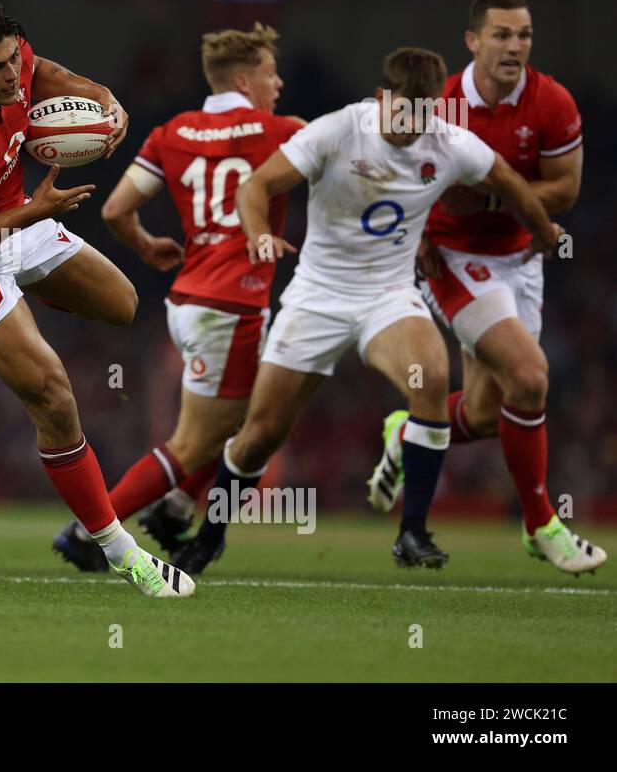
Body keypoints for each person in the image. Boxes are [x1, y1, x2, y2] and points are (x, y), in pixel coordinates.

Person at [174, 46, 560, 575]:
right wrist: (260, 233)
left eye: (423, 115)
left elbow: (512, 185)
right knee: (260, 434)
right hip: (317, 296)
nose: (410, 127)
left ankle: (413, 533)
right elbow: (257, 184)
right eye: (403, 112)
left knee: (431, 377)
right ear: (381, 98)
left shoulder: (448, 144)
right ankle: (209, 536)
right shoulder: (338, 130)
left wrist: (543, 234)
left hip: (388, 297)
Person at [0, 0, 192, 597]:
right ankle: (120, 550)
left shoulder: (13, 59)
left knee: (123, 304)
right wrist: (33, 210)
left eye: (13, 59)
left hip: (23, 220)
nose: (12, 76)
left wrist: (104, 99)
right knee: (54, 396)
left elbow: (47, 73)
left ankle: (26, 295)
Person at [366, 0, 605, 575]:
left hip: (520, 261)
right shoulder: (441, 101)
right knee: (528, 377)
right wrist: (415, 232)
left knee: (484, 408)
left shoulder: (551, 102)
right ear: (472, 42)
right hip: (453, 256)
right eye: (501, 34)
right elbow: (387, 168)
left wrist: (498, 196)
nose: (514, 46)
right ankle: (541, 524)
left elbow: (565, 190)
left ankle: (409, 428)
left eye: (523, 35)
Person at [52, 23, 304, 571]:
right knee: (199, 442)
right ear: (244, 77)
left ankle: (173, 508)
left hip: (188, 297)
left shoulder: (173, 132)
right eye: (269, 72)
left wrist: (147, 246)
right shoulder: (280, 131)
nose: (278, 83)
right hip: (232, 305)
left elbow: (117, 211)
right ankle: (91, 532)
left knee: (236, 427)